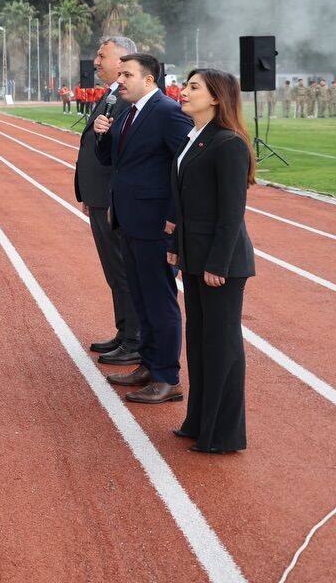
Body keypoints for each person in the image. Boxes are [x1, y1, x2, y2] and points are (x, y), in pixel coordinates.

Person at [94, 52, 195, 405]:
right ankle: (148, 365)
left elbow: (187, 167)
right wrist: (102, 135)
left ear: (149, 79)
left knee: (160, 300)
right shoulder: (127, 113)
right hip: (131, 221)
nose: (119, 80)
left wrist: (173, 216)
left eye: (127, 74)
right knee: (141, 298)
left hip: (155, 224)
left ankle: (168, 377)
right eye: (119, 74)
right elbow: (113, 163)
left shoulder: (168, 113)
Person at [169, 69, 256, 454]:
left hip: (221, 262)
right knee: (200, 342)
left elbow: (231, 212)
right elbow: (184, 203)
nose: (184, 92)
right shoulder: (194, 139)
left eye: (193, 87)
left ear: (217, 98)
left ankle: (223, 434)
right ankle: (199, 422)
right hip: (194, 254)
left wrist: (218, 263)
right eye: (186, 86)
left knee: (222, 346)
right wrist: (176, 244)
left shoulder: (229, 144)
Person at [74, 35, 140, 366]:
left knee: (124, 269)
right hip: (99, 197)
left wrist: (111, 197)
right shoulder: (113, 95)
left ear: (124, 59)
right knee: (114, 269)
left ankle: (134, 340)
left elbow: (124, 157)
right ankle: (124, 331)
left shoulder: (127, 99)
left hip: (113, 200)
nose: (96, 62)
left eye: (102, 56)